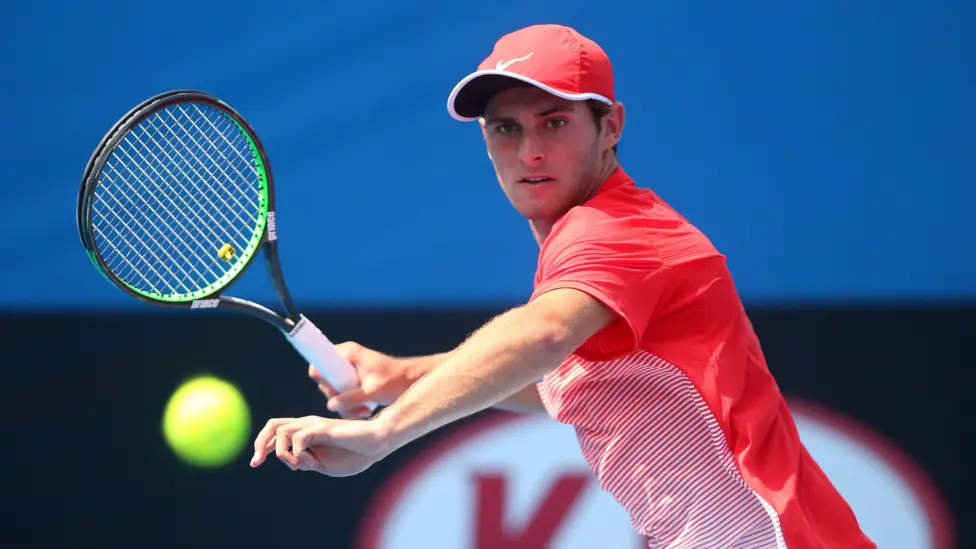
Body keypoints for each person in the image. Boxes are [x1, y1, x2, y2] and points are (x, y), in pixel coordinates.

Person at [251, 24, 876, 548]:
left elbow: (543, 335)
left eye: (554, 123)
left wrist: (384, 433)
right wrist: (402, 376)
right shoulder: (589, 246)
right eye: (505, 129)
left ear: (610, 127)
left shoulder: (614, 231)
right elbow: (564, 384)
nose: (530, 152)